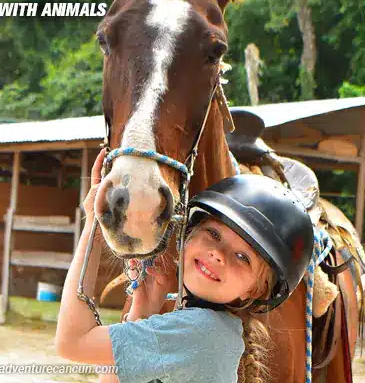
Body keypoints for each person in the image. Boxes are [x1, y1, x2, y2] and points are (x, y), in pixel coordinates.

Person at [55, 149, 315, 383]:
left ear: (255, 291)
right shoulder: (214, 330)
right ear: (187, 237)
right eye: (213, 234)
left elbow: (72, 342)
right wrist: (144, 306)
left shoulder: (198, 330)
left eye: (242, 257)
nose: (217, 254)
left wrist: (93, 225)